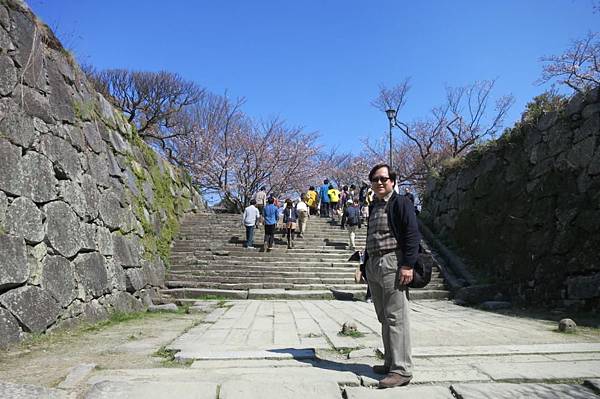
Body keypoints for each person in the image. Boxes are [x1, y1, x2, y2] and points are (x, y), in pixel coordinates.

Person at [363, 163, 420, 389]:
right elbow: (370, 237)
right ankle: (390, 362)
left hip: (393, 262)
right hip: (374, 263)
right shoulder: (374, 206)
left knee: (397, 317)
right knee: (383, 316)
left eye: (384, 179)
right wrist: (363, 264)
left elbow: (412, 234)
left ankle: (402, 369)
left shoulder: (401, 203)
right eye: (375, 179)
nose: (379, 182)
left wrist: (407, 264)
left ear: (393, 181)